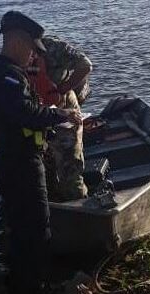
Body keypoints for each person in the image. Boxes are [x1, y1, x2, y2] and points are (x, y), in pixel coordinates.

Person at [0, 11, 82, 294]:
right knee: (36, 232)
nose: (34, 54)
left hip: (9, 158)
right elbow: (24, 113)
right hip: (21, 161)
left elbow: (18, 112)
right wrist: (60, 115)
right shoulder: (8, 75)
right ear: (18, 41)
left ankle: (19, 292)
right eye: (32, 47)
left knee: (19, 228)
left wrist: (44, 115)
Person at [29, 36, 93, 201]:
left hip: (63, 105)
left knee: (70, 164)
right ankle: (54, 204)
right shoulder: (14, 54)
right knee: (45, 164)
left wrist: (63, 88)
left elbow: (85, 65)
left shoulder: (53, 47)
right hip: (37, 110)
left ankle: (80, 204)